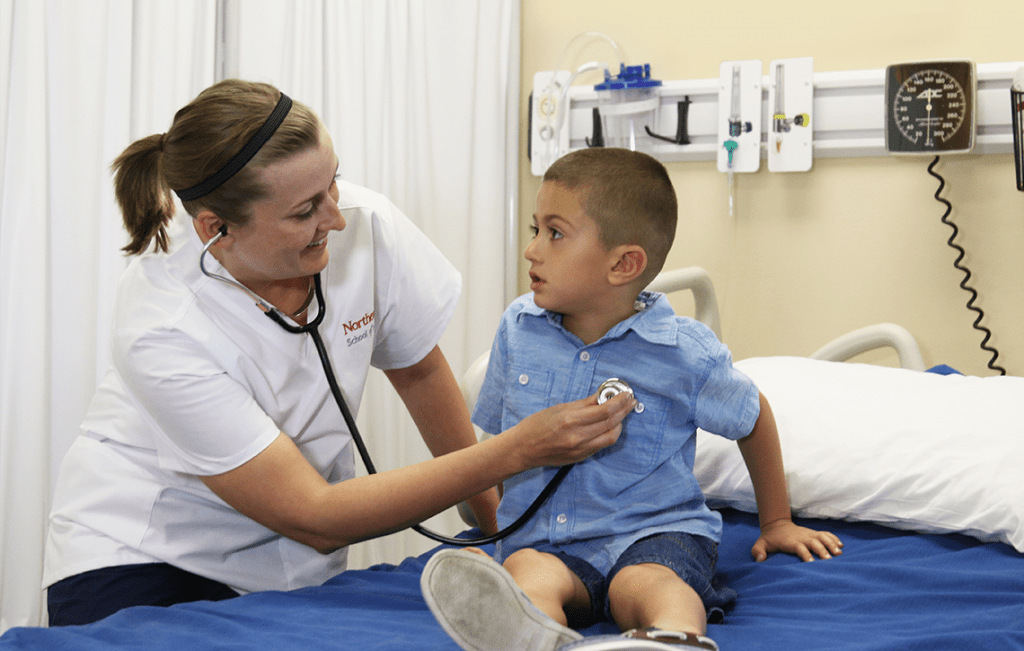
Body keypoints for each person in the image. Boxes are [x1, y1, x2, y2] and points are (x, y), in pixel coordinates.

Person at [43, 80, 635, 627]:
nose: (337, 217)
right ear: (215, 229)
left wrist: (500, 530)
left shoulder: (364, 220)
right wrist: (516, 450)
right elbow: (315, 517)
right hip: (144, 555)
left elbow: (418, 368)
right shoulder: (163, 325)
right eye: (305, 211)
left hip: (289, 562)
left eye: (333, 183)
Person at [420, 148, 844, 651]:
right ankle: (533, 635)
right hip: (548, 542)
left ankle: (670, 638)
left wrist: (776, 521)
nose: (532, 250)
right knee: (527, 573)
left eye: (554, 233)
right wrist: (498, 531)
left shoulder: (684, 353)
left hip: (655, 534)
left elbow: (752, 418)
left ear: (624, 264)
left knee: (651, 585)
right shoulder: (519, 328)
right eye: (535, 229)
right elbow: (500, 445)